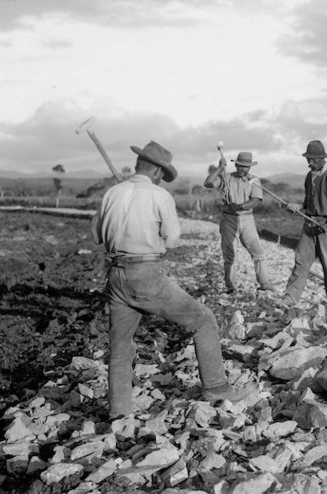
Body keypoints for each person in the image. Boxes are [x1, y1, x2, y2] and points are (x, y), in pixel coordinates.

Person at [91, 140, 253, 418]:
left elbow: (96, 236)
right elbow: (172, 239)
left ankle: (119, 415)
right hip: (146, 274)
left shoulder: (112, 193)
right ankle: (216, 388)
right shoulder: (159, 196)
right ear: (156, 172)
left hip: (116, 276)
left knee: (120, 347)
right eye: (161, 176)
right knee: (203, 321)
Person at [281, 140, 327, 315]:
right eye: (308, 159)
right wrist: (298, 207)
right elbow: (307, 203)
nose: (309, 163)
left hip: (326, 226)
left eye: (312, 159)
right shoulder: (309, 177)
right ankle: (290, 298)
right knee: (300, 263)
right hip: (308, 224)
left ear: (322, 159)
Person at [204, 151, 273, 294]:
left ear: (250, 167)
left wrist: (241, 206)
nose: (243, 169)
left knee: (258, 252)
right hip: (228, 219)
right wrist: (219, 168)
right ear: (236, 164)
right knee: (230, 255)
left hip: (247, 219)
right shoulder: (226, 178)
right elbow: (208, 183)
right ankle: (232, 288)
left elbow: (256, 200)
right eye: (241, 166)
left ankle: (265, 284)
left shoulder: (254, 180)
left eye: (247, 167)